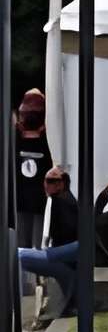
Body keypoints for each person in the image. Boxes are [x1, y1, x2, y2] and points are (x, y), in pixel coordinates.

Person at [18, 165, 80, 322]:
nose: (46, 184)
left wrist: (52, 252)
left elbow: (67, 234)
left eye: (51, 180)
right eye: (45, 180)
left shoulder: (62, 202)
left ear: (62, 183)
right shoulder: (64, 200)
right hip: (65, 261)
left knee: (17, 255)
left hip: (63, 261)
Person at [12, 89, 51, 251]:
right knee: (35, 247)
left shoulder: (15, 139)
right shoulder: (46, 140)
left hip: (23, 200)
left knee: (24, 248)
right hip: (37, 201)